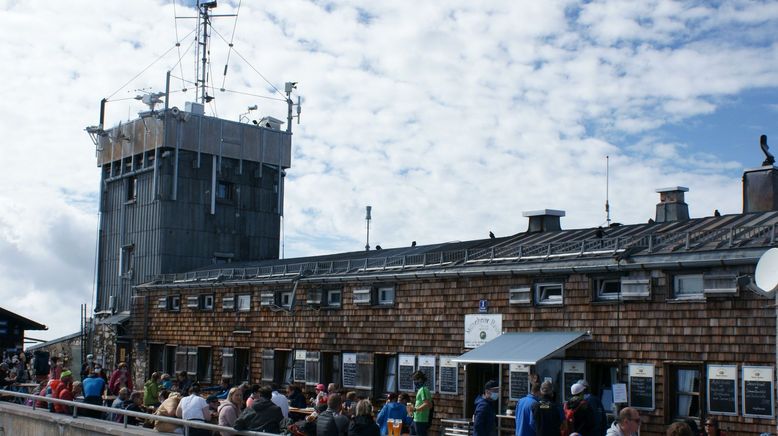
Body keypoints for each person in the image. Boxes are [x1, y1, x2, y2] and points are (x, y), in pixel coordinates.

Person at [409, 371, 432, 436]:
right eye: (414, 380)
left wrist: (415, 409)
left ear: (420, 379)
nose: (414, 382)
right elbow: (430, 405)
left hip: (420, 419)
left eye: (415, 380)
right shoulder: (422, 389)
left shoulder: (423, 390)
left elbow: (426, 404)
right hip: (417, 418)